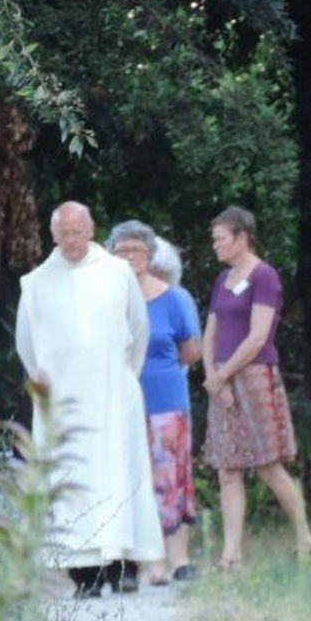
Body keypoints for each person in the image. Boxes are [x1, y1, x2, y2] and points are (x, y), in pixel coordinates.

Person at [14, 202, 164, 598]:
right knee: (73, 481)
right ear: (54, 236)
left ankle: (125, 566)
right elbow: (26, 345)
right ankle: (84, 575)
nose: (73, 241)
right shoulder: (36, 283)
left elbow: (138, 329)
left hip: (114, 394)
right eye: (65, 234)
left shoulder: (117, 273)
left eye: (79, 232)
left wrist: (121, 376)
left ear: (92, 229)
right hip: (63, 401)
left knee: (120, 475)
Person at [201, 206, 311, 568]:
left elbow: (257, 337)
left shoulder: (264, 276)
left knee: (268, 465)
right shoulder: (223, 280)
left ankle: (305, 538)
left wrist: (224, 375)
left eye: (220, 239)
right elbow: (211, 332)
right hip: (221, 378)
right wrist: (212, 376)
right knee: (228, 469)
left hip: (254, 376)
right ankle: (231, 553)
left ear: (242, 237)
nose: (215, 246)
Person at [108, 221, 203, 586]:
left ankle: (176, 559)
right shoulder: (106, 299)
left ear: (149, 255)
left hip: (166, 401)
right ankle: (141, 563)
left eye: (137, 250)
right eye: (122, 250)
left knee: (170, 478)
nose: (130, 257)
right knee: (129, 480)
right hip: (120, 404)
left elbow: (190, 351)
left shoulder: (175, 298)